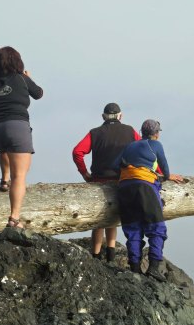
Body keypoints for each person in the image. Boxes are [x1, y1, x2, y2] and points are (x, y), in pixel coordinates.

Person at [115, 119, 184, 282]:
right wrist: (167, 177)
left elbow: (117, 164)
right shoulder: (156, 145)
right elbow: (165, 169)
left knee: (133, 228)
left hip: (124, 187)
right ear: (156, 133)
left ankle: (135, 268)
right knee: (156, 227)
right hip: (144, 186)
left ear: (142, 132)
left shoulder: (130, 146)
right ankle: (153, 267)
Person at [0, 46, 43, 228]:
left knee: (5, 148)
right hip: (16, 128)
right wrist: (27, 77)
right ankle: (14, 218)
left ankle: (3, 180)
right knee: (20, 176)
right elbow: (39, 94)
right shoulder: (22, 78)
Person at [72, 102, 141, 262]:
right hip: (122, 181)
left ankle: (95, 257)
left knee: (98, 221)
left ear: (103, 116)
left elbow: (77, 152)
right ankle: (110, 257)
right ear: (120, 116)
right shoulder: (130, 131)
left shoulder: (95, 133)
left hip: (98, 181)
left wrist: (84, 173)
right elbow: (141, 150)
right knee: (113, 219)